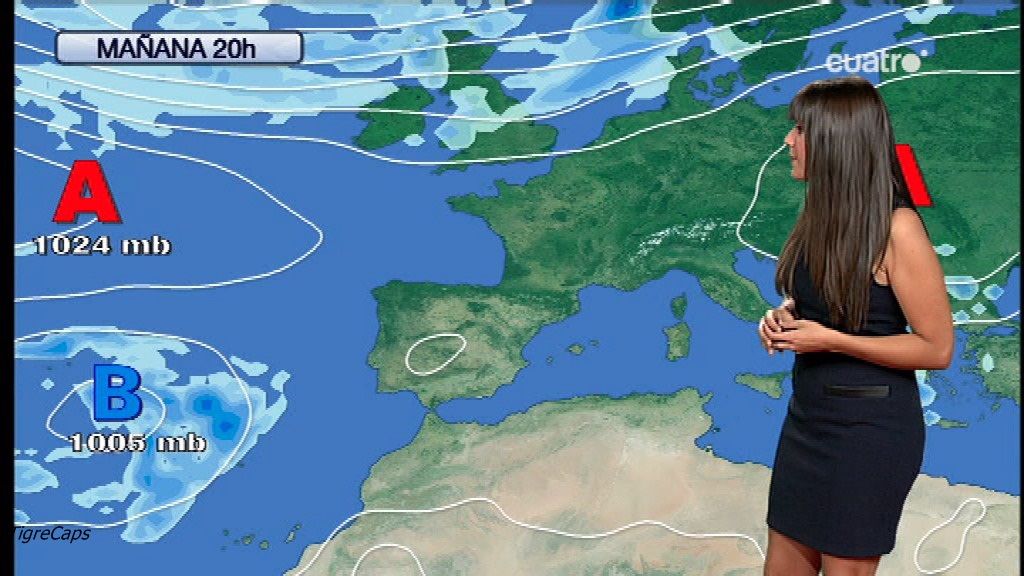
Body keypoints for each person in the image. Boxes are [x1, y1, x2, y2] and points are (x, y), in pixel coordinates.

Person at [756, 75, 954, 576]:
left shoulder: (897, 229)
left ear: (834, 140)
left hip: (867, 435)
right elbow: (831, 300)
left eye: (800, 129)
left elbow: (936, 349)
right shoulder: (822, 214)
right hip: (808, 420)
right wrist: (787, 315)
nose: (789, 140)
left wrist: (832, 340)